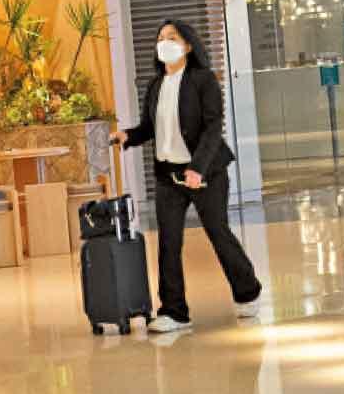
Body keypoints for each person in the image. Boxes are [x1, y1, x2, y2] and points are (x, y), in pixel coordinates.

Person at [111, 19, 262, 333]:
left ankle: (248, 291)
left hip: (206, 172)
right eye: (160, 37)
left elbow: (212, 127)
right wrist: (128, 136)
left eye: (172, 37)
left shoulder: (202, 80)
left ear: (188, 46)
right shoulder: (156, 85)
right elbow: (150, 128)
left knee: (218, 231)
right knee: (168, 242)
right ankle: (174, 312)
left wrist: (197, 168)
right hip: (169, 176)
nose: (164, 42)